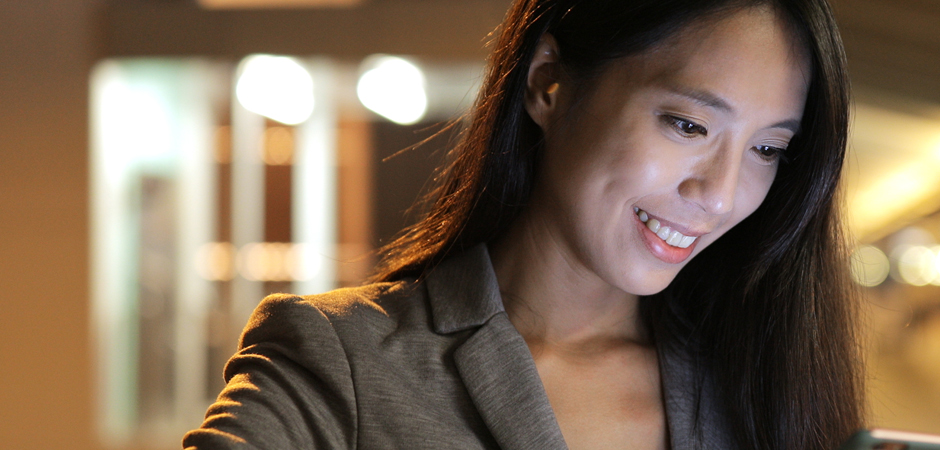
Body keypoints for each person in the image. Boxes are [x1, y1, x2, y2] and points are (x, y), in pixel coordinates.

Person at [182, 0, 863, 448]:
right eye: (687, 124)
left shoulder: (759, 390)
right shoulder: (344, 361)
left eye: (768, 149)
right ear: (547, 83)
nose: (718, 194)